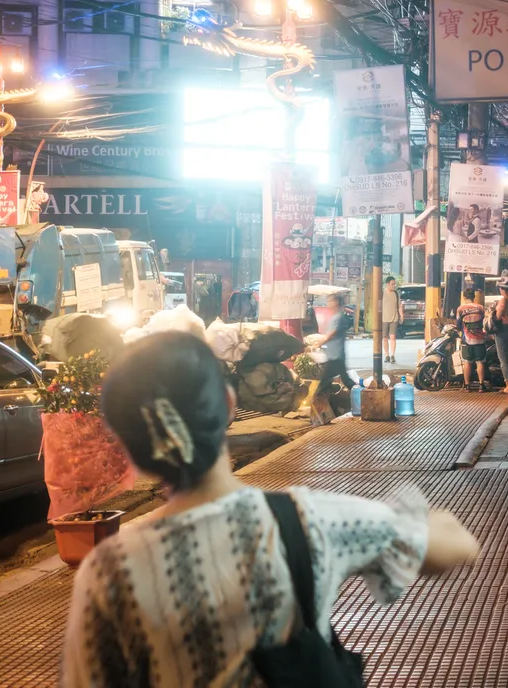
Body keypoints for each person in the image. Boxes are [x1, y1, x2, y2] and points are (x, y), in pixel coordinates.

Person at [61, 332, 480, 688]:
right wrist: (423, 520)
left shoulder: (108, 571)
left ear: (129, 448)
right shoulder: (303, 521)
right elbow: (456, 546)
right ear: (227, 407)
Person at [313, 293, 354, 422]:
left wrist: (320, 343)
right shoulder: (335, 317)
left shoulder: (338, 318)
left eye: (330, 301)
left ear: (336, 303)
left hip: (335, 356)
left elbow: (332, 334)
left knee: (322, 383)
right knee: (345, 381)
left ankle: (317, 408)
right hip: (334, 355)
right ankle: (361, 395)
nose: (328, 303)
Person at [455, 288, 488, 391]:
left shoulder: (460, 309)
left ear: (464, 297)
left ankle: (467, 386)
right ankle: (481, 386)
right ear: (474, 297)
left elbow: (458, 325)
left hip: (467, 340)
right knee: (480, 362)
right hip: (480, 339)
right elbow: (485, 321)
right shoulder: (480, 308)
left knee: (467, 362)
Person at [382, 276, 402, 364]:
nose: (394, 286)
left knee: (393, 337)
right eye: (392, 284)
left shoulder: (396, 294)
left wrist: (401, 315)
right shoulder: (381, 294)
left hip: (394, 318)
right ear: (387, 284)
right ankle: (387, 355)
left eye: (394, 284)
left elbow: (399, 306)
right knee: (385, 338)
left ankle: (392, 355)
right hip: (384, 319)